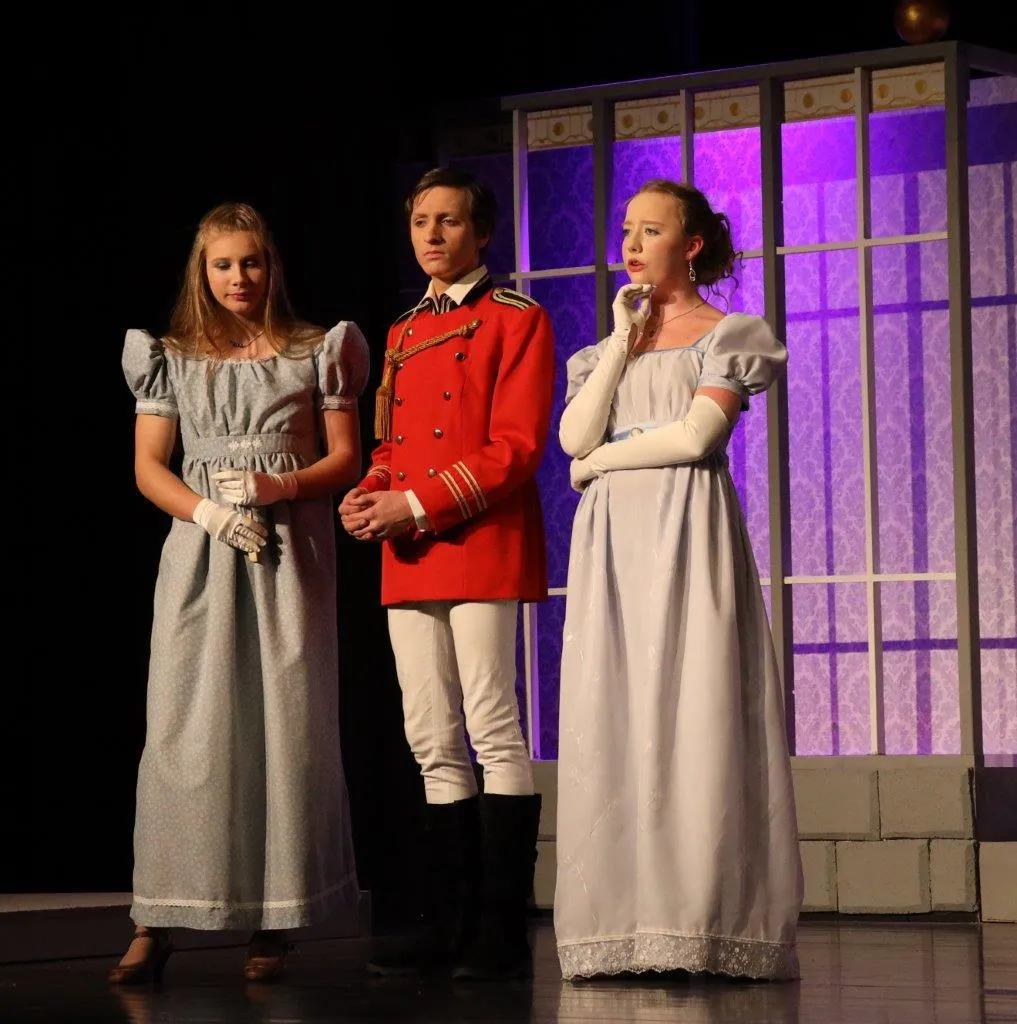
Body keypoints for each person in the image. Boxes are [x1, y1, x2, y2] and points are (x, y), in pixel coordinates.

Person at [554, 179, 803, 981]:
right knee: (615, 711)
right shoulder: (604, 350)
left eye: (650, 231)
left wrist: (599, 462)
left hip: (686, 530)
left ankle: (701, 921)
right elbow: (571, 436)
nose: (631, 245)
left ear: (690, 245)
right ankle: (622, 925)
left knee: (695, 712)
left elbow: (697, 437)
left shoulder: (728, 335)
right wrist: (621, 341)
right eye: (626, 230)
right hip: (613, 544)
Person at [112, 201, 367, 985]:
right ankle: (158, 918)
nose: (237, 277)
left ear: (271, 265)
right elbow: (148, 466)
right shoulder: (172, 357)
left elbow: (346, 459)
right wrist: (210, 513)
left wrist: (277, 485)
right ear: (203, 270)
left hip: (288, 553)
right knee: (187, 729)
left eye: (249, 261)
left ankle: (274, 922)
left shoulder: (315, 351)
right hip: (202, 553)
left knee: (283, 726)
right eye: (222, 264)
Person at [338, 167, 555, 981]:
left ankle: (500, 933)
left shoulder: (516, 318)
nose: (431, 234)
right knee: (430, 737)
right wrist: (370, 493)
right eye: (420, 221)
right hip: (408, 546)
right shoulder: (400, 330)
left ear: (481, 232)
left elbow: (515, 448)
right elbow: (390, 445)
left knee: (491, 727)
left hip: (478, 538)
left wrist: (413, 504)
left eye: (449, 220)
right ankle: (448, 925)